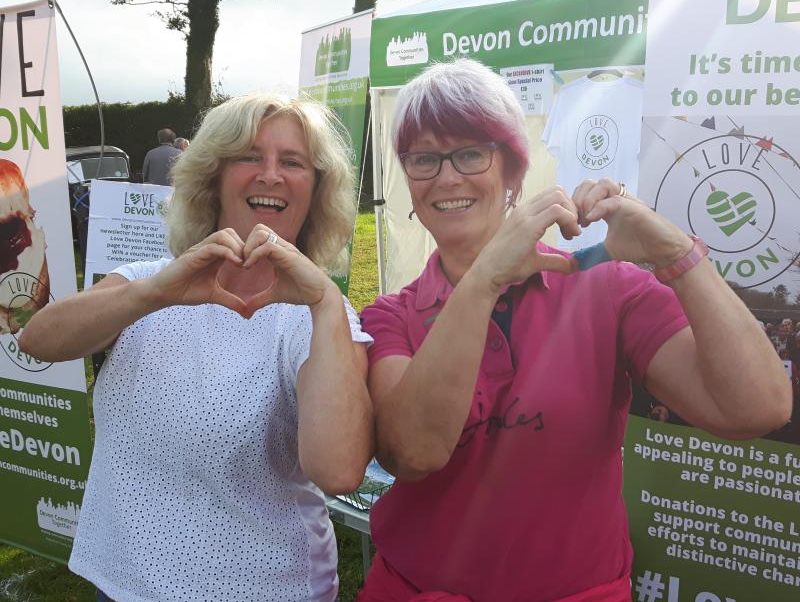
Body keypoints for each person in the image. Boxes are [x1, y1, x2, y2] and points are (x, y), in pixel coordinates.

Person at [357, 59, 791, 602]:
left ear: (514, 172)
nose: (447, 177)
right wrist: (485, 279)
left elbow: (758, 407)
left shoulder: (605, 290)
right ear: (409, 180)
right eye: (424, 159)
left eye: (470, 153)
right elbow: (412, 453)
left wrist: (675, 253)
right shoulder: (388, 316)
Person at [20, 94, 374, 602]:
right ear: (213, 177)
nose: (270, 174)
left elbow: (339, 470)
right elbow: (39, 340)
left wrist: (322, 302)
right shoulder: (147, 281)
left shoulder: (316, 316)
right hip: (121, 582)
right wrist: (152, 294)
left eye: (292, 162)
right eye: (249, 155)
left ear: (315, 192)